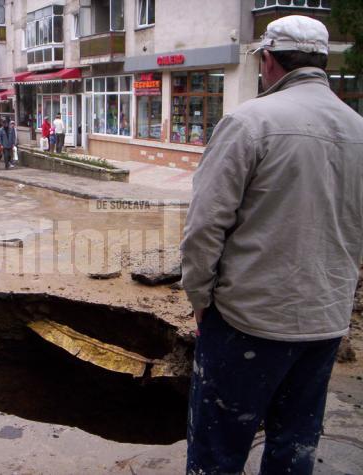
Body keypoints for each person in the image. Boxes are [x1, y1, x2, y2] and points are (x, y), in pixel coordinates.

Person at [181, 15, 363, 474]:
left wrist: (200, 298)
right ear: (322, 62)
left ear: (267, 61)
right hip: (324, 323)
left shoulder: (248, 122)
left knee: (218, 451)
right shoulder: (359, 130)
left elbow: (204, 226)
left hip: (249, 321)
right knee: (294, 444)